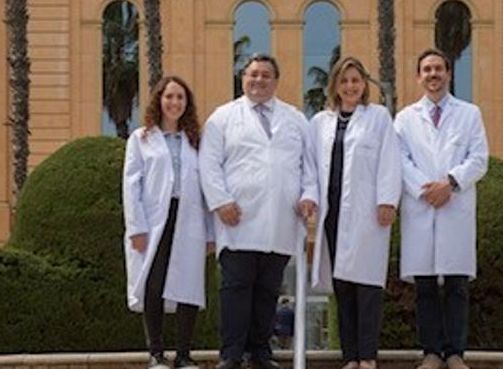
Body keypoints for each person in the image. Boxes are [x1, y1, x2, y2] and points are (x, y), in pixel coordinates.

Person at [200, 53, 319, 369]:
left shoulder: (295, 119)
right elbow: (208, 165)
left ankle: (260, 353)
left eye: (266, 75)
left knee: (268, 292)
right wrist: (221, 201)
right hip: (238, 220)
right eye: (253, 75)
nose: (259, 80)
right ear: (243, 79)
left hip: (280, 220)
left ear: (276, 81)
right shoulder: (222, 118)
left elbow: (309, 167)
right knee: (236, 290)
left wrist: (309, 196)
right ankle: (231, 354)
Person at [395, 49, 489, 369]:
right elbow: (400, 161)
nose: (433, 75)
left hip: (455, 204)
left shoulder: (469, 113)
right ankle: (431, 352)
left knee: (456, 285)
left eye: (438, 69)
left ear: (449, 74)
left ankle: (455, 353)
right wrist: (427, 190)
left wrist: (450, 183)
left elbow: (478, 159)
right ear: (418, 77)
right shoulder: (405, 118)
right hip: (421, 206)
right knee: (424, 287)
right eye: (427, 70)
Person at [310, 56, 401, 369]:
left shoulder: (378, 118)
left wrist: (388, 200)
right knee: (342, 285)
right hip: (332, 213)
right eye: (344, 81)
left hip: (367, 212)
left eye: (355, 80)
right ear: (335, 85)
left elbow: (390, 160)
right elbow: (310, 166)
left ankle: (367, 357)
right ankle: (350, 357)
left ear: (364, 85)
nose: (350, 86)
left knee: (368, 285)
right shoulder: (320, 122)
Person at [123, 76, 214, 369]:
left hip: (189, 220)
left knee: (188, 284)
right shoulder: (142, 138)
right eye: (169, 97)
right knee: (154, 282)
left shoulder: (196, 140)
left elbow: (208, 187)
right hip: (154, 220)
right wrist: (136, 227)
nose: (174, 103)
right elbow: (131, 185)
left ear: (187, 105)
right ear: (159, 100)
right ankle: (156, 353)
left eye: (180, 98)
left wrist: (211, 232)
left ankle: (184, 355)